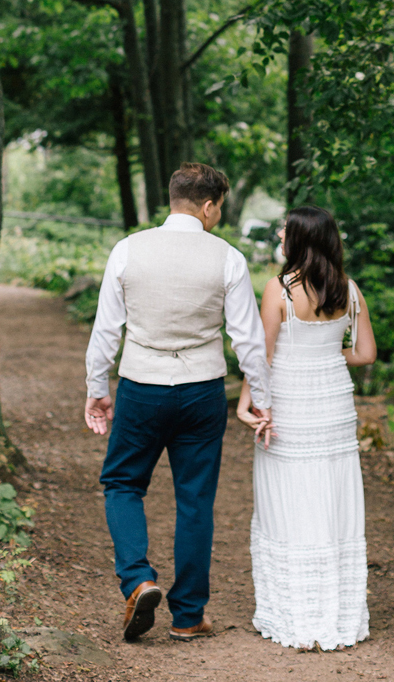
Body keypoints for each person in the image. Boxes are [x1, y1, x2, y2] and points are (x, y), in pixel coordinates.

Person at [84, 162, 272, 643]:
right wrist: (262, 398)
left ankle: (139, 580)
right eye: (219, 208)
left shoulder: (128, 250)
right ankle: (189, 615)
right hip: (202, 390)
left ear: (173, 199)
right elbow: (247, 338)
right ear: (208, 206)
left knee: (123, 483)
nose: (218, 216)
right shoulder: (227, 257)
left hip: (141, 387)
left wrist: (97, 389)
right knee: (195, 500)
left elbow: (107, 328)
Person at [237, 204, 377, 650]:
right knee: (332, 495)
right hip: (334, 403)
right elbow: (365, 354)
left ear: (298, 239)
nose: (279, 238)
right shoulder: (349, 290)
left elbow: (262, 358)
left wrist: (250, 405)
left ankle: (295, 613)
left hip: (291, 403)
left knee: (290, 498)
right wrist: (330, 356)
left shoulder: (279, 289)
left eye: (283, 232)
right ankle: (336, 614)